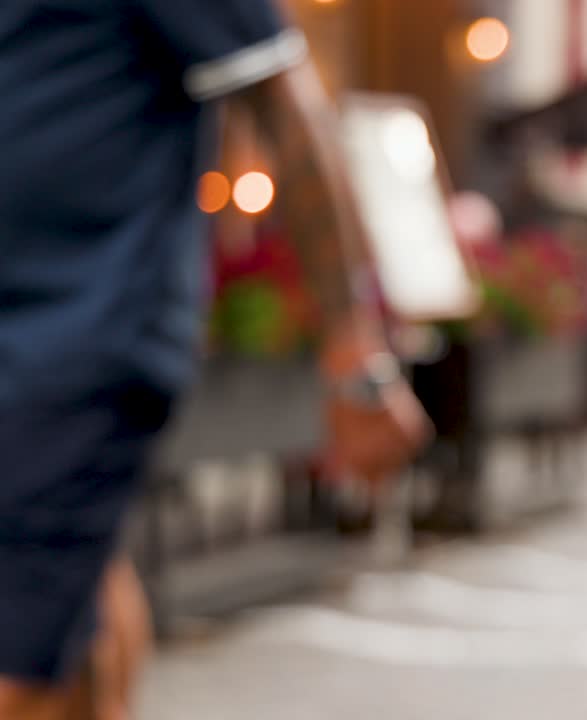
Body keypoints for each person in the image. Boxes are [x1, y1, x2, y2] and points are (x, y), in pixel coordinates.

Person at [0, 4, 430, 719]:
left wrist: (356, 356)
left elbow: (284, 100)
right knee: (78, 592)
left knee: (21, 650)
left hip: (84, 331)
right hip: (34, 330)